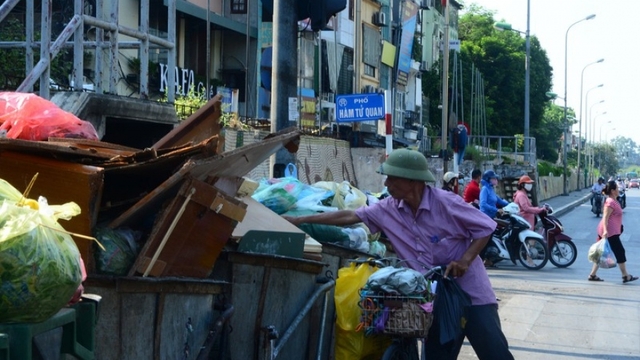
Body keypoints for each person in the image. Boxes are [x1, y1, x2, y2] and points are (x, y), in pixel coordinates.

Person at [283, 149, 513, 360]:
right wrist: (300, 220)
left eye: (392, 178)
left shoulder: (446, 202)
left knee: (494, 353)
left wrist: (466, 259)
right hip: (432, 299)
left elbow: (486, 225)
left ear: (412, 180)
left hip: (472, 294)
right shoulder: (388, 208)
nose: (387, 183)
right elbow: (348, 216)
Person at [588, 180, 638, 283]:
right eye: (617, 188)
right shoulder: (610, 202)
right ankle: (625, 276)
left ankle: (592, 275)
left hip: (611, 231)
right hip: (609, 232)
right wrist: (605, 231)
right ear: (612, 190)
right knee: (620, 251)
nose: (618, 190)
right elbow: (605, 217)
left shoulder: (614, 200)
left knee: (601, 252)